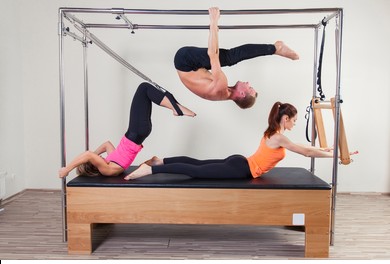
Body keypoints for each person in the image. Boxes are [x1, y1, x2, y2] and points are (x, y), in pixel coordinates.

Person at [125, 101, 358, 180]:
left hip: (238, 162)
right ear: (285, 118)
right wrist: (335, 155)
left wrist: (324, 148)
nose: (295, 123)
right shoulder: (278, 137)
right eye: (294, 120)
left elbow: (304, 148)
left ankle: (160, 160)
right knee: (195, 170)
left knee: (197, 164)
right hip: (240, 168)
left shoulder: (274, 132)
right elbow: (304, 152)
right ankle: (151, 170)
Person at [58, 82, 196, 178]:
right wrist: (67, 169)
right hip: (135, 132)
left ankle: (176, 107)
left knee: (146, 90)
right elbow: (88, 154)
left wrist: (94, 154)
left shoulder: (111, 161)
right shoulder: (106, 169)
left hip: (139, 132)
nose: (98, 157)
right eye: (95, 159)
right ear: (93, 165)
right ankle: (176, 108)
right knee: (143, 88)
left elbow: (106, 144)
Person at [174, 7, 300, 109]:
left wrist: (213, 22)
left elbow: (213, 53)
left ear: (241, 93)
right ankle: (275, 49)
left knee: (229, 57)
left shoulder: (221, 87)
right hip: (190, 66)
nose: (248, 83)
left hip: (184, 60)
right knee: (228, 59)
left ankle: (276, 48)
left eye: (249, 88)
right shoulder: (224, 92)